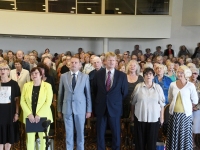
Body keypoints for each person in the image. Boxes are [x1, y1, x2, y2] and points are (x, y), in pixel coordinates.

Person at [93, 52, 128, 150]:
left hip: (115, 108)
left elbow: (124, 92)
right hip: (101, 107)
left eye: (113, 60)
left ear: (116, 62)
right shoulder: (98, 74)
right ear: (105, 62)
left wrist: (115, 101)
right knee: (100, 133)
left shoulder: (122, 76)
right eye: (109, 60)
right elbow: (95, 90)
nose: (111, 62)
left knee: (116, 133)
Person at [57, 57, 92, 150]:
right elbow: (60, 94)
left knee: (80, 132)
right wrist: (59, 109)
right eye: (72, 62)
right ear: (69, 65)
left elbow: (88, 94)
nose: (73, 64)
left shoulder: (85, 77)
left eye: (76, 62)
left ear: (80, 65)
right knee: (68, 133)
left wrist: (89, 110)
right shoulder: (63, 76)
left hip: (80, 108)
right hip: (67, 107)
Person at [131, 67, 165, 150]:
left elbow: (162, 104)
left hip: (153, 119)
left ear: (153, 76)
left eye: (150, 74)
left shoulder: (158, 88)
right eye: (146, 74)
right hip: (140, 118)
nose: (148, 76)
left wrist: (162, 117)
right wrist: (132, 115)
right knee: (139, 143)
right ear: (143, 76)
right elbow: (132, 102)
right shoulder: (138, 87)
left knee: (151, 143)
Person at [166, 65, 198, 150]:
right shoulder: (172, 84)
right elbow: (170, 98)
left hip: (185, 116)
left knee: (184, 137)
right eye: (178, 72)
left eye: (182, 72)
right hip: (174, 115)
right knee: (173, 136)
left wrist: (189, 106)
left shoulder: (190, 85)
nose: (179, 74)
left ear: (186, 73)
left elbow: (195, 100)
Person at [20, 67, 53, 150]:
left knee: (43, 140)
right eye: (32, 73)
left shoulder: (47, 86)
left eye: (36, 73)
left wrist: (39, 114)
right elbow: (22, 101)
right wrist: (29, 114)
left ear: (41, 75)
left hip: (43, 117)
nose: (34, 75)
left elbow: (48, 102)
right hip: (29, 117)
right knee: (30, 140)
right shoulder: (26, 85)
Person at [0, 63, 20, 150]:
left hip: (10, 113)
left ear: (8, 71)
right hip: (0, 114)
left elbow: (17, 100)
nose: (2, 71)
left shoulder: (14, 84)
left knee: (9, 135)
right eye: (0, 69)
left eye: (4, 69)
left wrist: (16, 113)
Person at [189, 68, 200, 147]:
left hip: (197, 108)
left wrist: (197, 107)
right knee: (188, 126)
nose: (194, 75)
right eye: (192, 73)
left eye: (195, 73)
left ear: (198, 75)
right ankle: (189, 142)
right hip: (187, 108)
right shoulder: (186, 83)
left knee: (195, 128)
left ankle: (194, 141)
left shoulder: (199, 84)